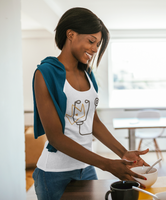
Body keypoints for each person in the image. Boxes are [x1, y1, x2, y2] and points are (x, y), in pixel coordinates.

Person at [32, 7, 149, 200]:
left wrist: (123, 153)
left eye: (98, 44)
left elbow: (92, 122)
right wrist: (107, 164)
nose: (95, 49)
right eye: (91, 41)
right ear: (71, 34)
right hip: (53, 174)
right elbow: (55, 138)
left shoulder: (87, 74)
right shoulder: (45, 73)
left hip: (86, 168)